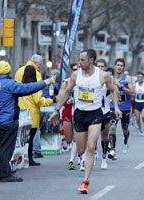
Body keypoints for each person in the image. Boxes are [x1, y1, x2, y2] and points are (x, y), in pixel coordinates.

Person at [49, 49, 121, 194]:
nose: (79, 62)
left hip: (95, 113)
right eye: (79, 59)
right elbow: (67, 91)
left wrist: (116, 108)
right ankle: (87, 157)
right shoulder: (76, 75)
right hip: (80, 114)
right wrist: (56, 109)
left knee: (91, 146)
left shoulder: (103, 75)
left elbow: (113, 90)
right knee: (81, 150)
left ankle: (85, 181)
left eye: (82, 60)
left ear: (91, 60)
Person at [0, 60, 55, 182]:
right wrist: (46, 82)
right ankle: (5, 174)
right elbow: (28, 88)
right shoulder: (10, 84)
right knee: (6, 148)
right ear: (8, 71)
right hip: (9, 121)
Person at [19, 65, 54, 166]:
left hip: (22, 114)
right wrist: (51, 100)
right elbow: (39, 101)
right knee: (30, 140)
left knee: (23, 140)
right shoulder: (35, 86)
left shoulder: (21, 85)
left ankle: (22, 159)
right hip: (32, 116)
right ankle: (29, 159)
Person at [15, 54, 45, 158]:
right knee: (33, 131)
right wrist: (49, 101)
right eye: (40, 64)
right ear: (37, 63)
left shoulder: (19, 71)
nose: (40, 66)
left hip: (19, 105)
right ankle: (34, 153)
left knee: (21, 134)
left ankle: (22, 157)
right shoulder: (35, 72)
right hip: (31, 107)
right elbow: (37, 93)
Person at [108, 58, 134, 158]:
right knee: (112, 128)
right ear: (115, 66)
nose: (119, 67)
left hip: (125, 108)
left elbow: (132, 92)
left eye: (121, 65)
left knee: (125, 129)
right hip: (113, 107)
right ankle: (112, 150)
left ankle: (126, 139)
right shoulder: (110, 78)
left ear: (123, 67)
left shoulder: (127, 78)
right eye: (118, 65)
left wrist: (121, 86)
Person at [59, 63, 79, 170]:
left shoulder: (84, 81)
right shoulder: (66, 82)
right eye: (74, 69)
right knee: (68, 138)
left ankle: (73, 160)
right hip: (67, 110)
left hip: (78, 111)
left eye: (78, 69)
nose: (76, 70)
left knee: (77, 137)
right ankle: (77, 153)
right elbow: (60, 96)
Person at [96, 59, 114, 169]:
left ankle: (104, 157)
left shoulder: (108, 79)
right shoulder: (91, 79)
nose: (100, 68)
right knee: (93, 137)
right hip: (94, 112)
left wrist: (115, 106)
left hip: (106, 111)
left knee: (104, 137)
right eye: (98, 66)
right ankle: (93, 154)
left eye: (102, 66)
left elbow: (114, 91)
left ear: (105, 68)